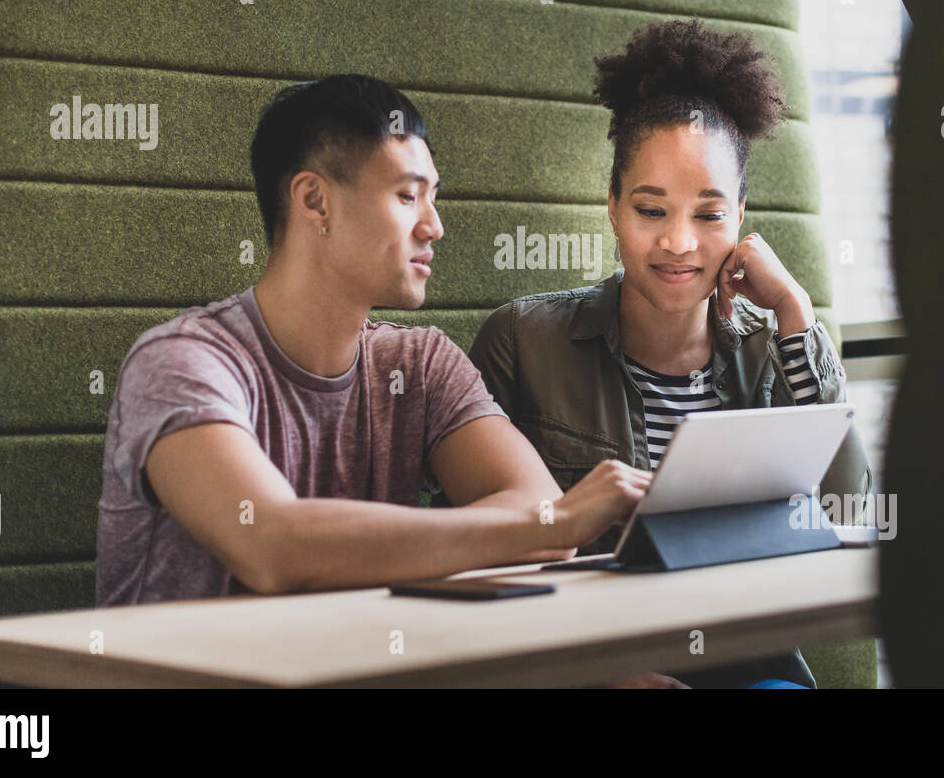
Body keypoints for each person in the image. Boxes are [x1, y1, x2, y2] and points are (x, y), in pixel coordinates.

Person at [96, 75, 646, 607]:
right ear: (315, 201)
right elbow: (272, 545)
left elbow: (543, 513)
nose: (434, 226)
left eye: (434, 198)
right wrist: (537, 525)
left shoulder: (420, 364)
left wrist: (546, 522)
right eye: (408, 196)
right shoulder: (180, 362)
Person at [468, 18, 872, 688]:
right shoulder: (521, 341)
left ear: (740, 218)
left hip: (749, 670)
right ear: (612, 207)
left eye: (709, 215)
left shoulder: (774, 353)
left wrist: (796, 315)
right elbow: (467, 554)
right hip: (585, 668)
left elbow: (854, 521)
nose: (679, 243)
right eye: (651, 211)